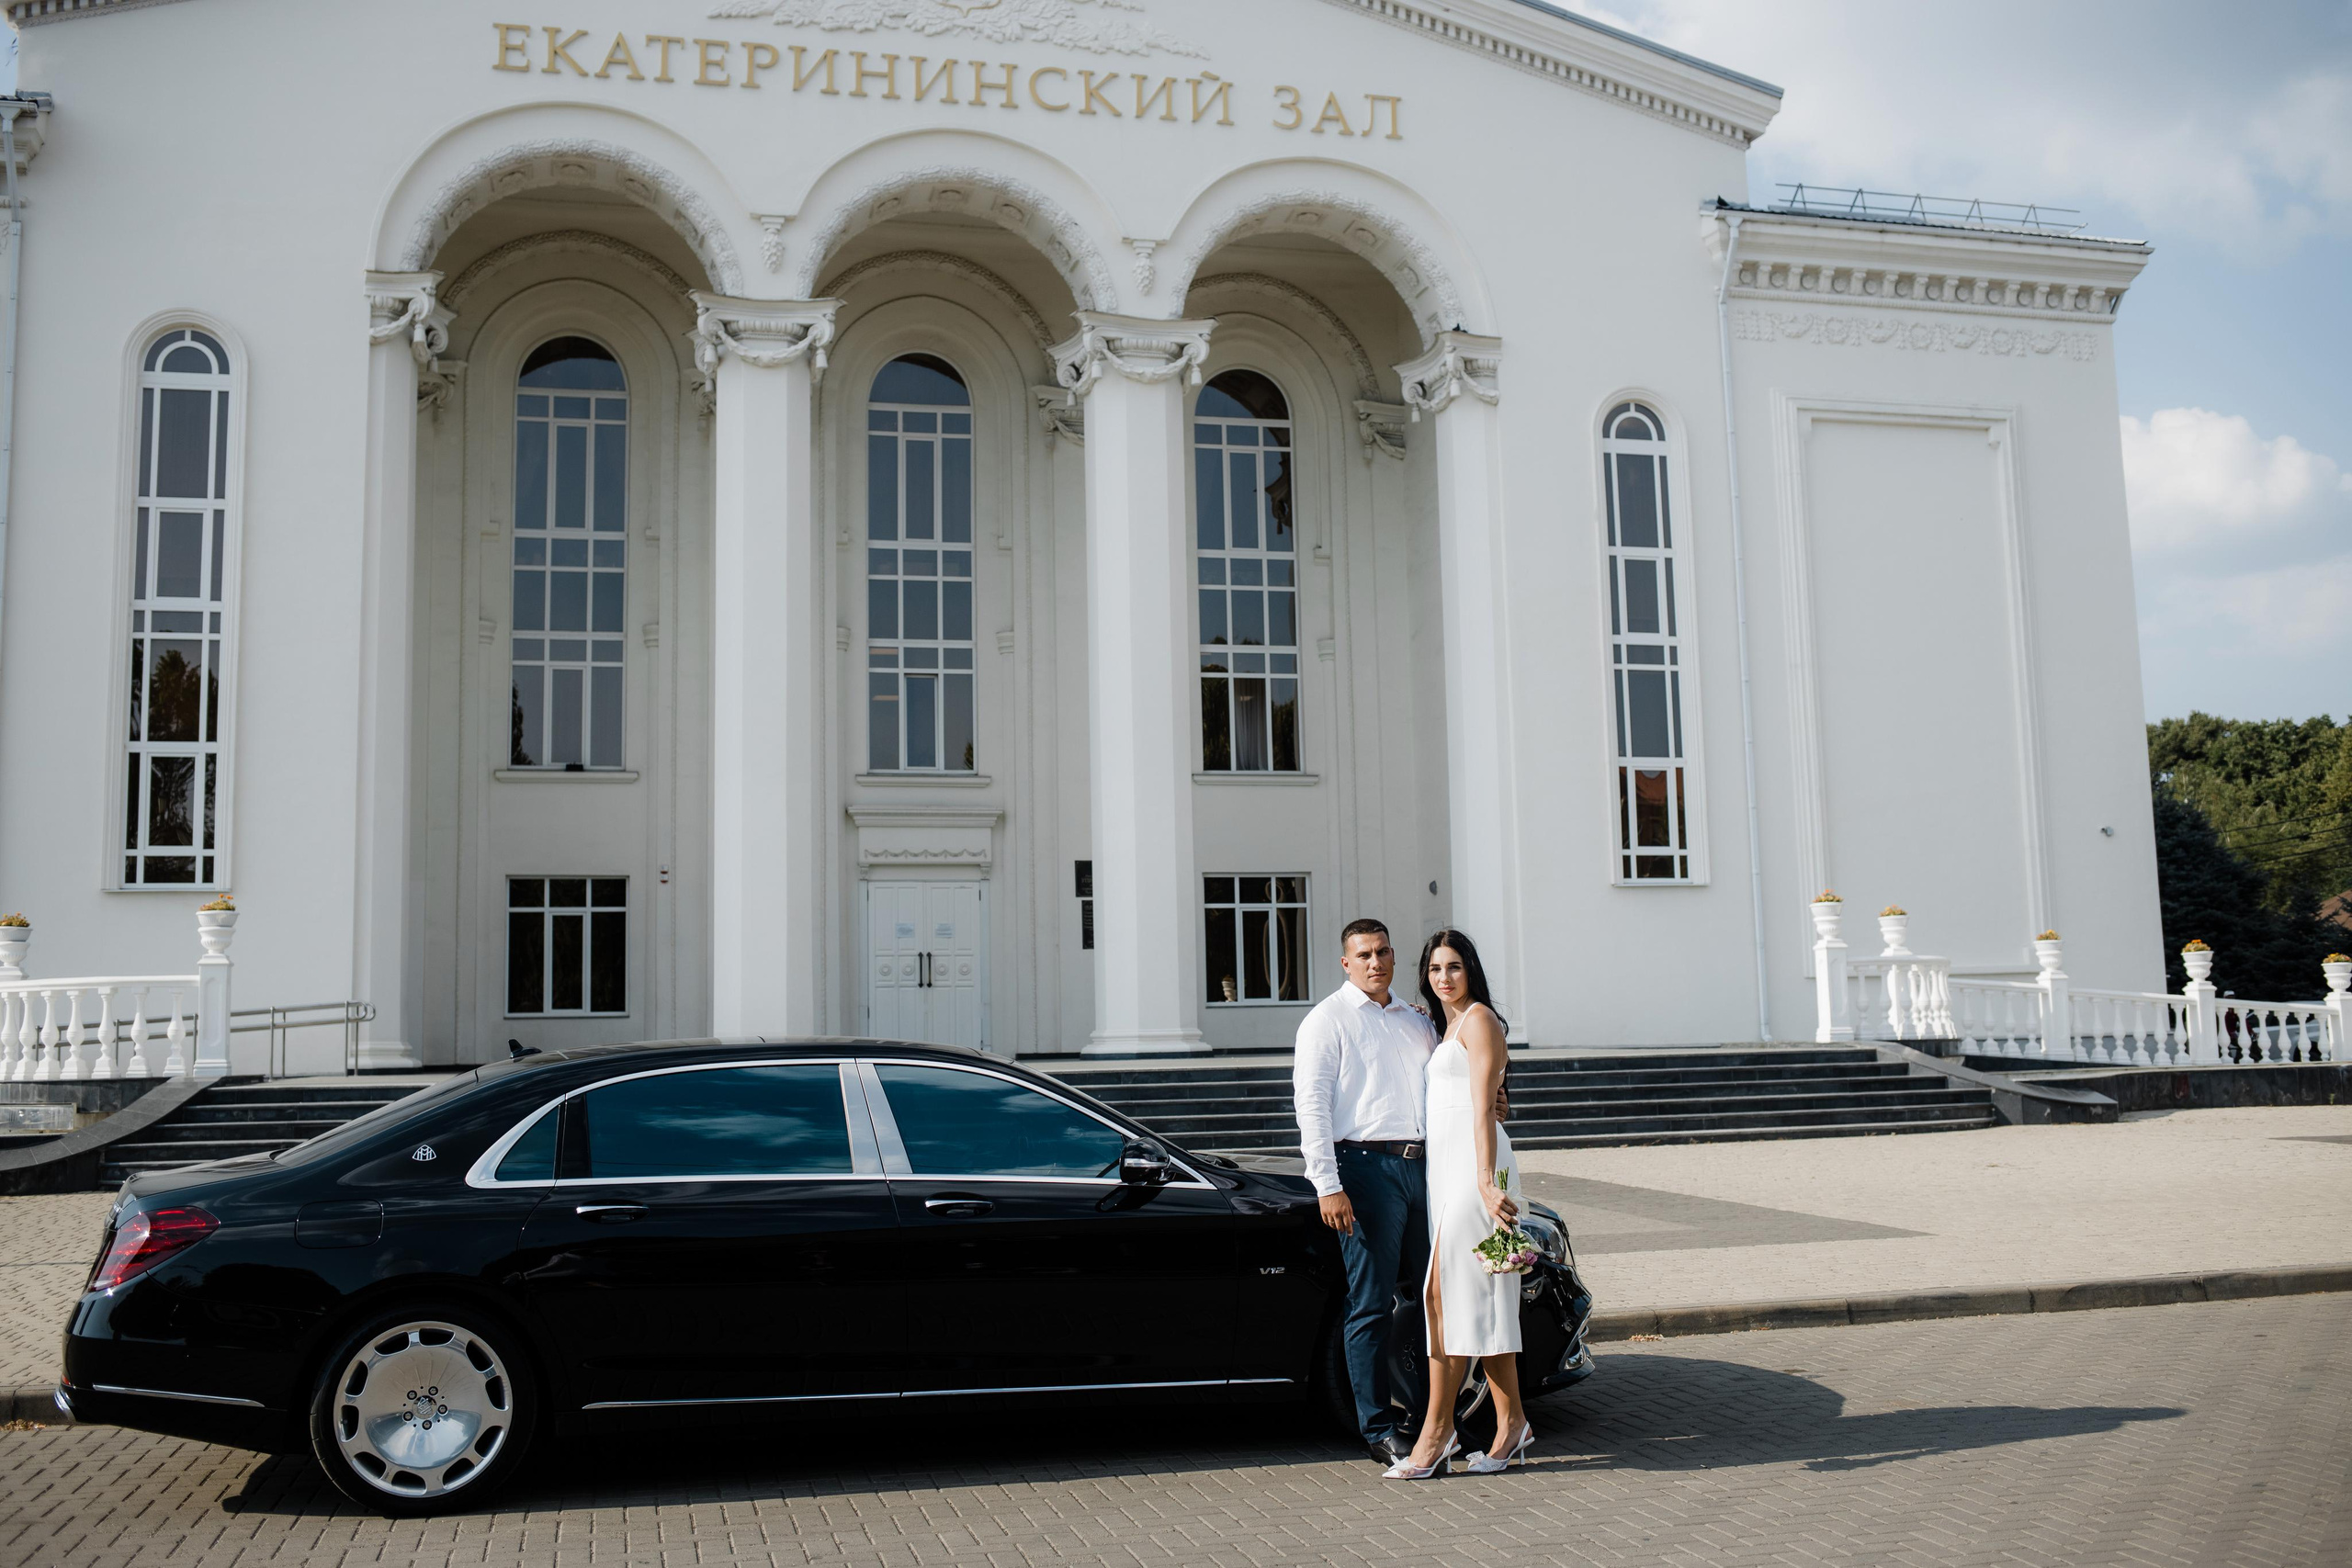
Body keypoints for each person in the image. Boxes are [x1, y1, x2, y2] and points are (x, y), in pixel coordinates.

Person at [1293, 918, 1506, 1469]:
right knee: (1370, 1304)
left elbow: (1459, 1082)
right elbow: (1311, 1107)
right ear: (1346, 963)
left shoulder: (1418, 1021)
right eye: (1363, 954)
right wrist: (1328, 1185)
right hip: (1362, 1170)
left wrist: (1498, 1103)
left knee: (1435, 1298)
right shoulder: (1327, 1021)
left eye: (1383, 952)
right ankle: (1378, 1427)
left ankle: (1432, 1417)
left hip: (1426, 1169)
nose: (1374, 962)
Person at [1385, 927, 1532, 1479]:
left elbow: (1479, 1110)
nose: (1443, 978)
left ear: (1470, 970)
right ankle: (1511, 1423)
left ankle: (1436, 1432)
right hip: (1447, 1172)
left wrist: (1487, 1181)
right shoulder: (1445, 1025)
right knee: (1473, 1302)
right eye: (1434, 970)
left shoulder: (1479, 1020)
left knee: (1446, 1299)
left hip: (1476, 1175)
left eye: (1453, 967)